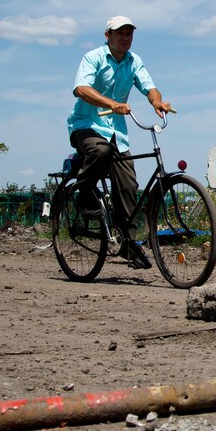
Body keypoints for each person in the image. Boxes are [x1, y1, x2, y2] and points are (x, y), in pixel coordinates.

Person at [67, 15, 173, 269]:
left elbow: (149, 87)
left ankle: (129, 245)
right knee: (101, 150)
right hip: (86, 126)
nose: (126, 38)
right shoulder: (93, 58)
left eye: (129, 34)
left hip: (117, 134)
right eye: (120, 33)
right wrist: (112, 104)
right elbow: (81, 89)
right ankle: (83, 196)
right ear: (108, 36)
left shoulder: (133, 61)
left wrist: (157, 101)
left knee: (128, 185)